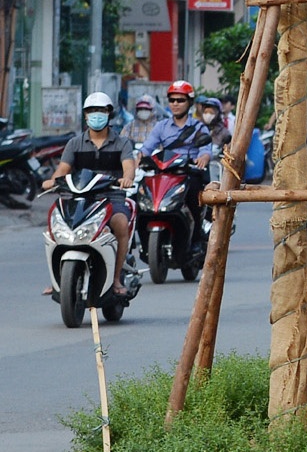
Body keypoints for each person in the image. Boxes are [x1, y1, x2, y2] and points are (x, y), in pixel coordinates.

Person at [43, 92, 138, 296]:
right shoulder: (74, 144)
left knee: (120, 223)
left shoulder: (122, 143)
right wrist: (53, 181)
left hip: (111, 197)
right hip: (79, 198)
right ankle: (58, 280)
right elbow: (62, 170)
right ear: (85, 115)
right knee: (54, 224)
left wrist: (127, 178)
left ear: (109, 114)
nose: (96, 115)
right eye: (92, 111)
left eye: (101, 111)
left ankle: (115, 279)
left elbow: (129, 167)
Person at [142, 81, 215, 247]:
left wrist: (203, 158)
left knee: (193, 200)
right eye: (172, 100)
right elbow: (147, 148)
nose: (175, 104)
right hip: (165, 175)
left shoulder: (198, 127)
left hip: (189, 175)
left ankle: (196, 240)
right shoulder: (161, 127)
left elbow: (206, 149)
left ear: (189, 103)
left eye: (180, 100)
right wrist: (139, 159)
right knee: (144, 197)